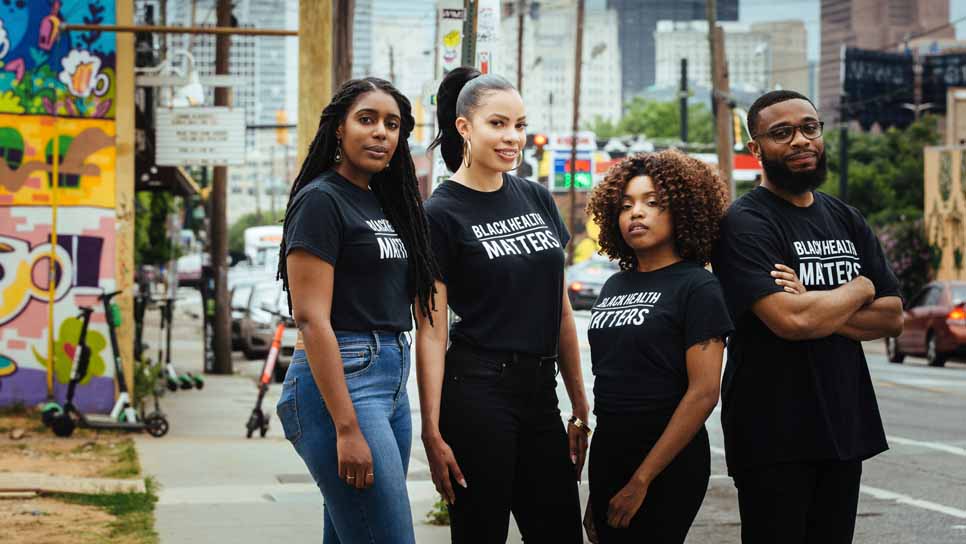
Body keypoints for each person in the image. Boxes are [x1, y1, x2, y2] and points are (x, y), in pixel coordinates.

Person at [710, 90, 904, 544]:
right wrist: (860, 288)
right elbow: (790, 322)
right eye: (782, 133)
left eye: (809, 128)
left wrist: (814, 301)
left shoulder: (845, 218)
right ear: (755, 148)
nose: (801, 141)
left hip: (842, 424)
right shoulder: (743, 224)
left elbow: (893, 317)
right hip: (772, 433)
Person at [415, 66, 589, 543]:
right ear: (464, 127)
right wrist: (431, 431)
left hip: (540, 394)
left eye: (520, 125)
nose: (512, 137)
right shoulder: (438, 214)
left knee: (558, 531)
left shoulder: (536, 197)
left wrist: (578, 405)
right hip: (476, 392)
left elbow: (560, 310)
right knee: (481, 532)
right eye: (498, 124)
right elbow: (431, 330)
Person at [274, 77, 440, 544]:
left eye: (393, 125)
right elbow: (311, 319)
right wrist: (346, 426)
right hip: (343, 384)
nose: (381, 133)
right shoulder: (321, 200)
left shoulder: (383, 204)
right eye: (366, 120)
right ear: (339, 130)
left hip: (389, 381)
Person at [582, 150, 732, 543]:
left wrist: (642, 479)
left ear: (682, 210)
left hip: (668, 458)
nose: (636, 213)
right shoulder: (615, 284)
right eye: (627, 205)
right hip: (610, 447)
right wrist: (598, 488)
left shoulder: (698, 287)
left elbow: (704, 393)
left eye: (652, 203)